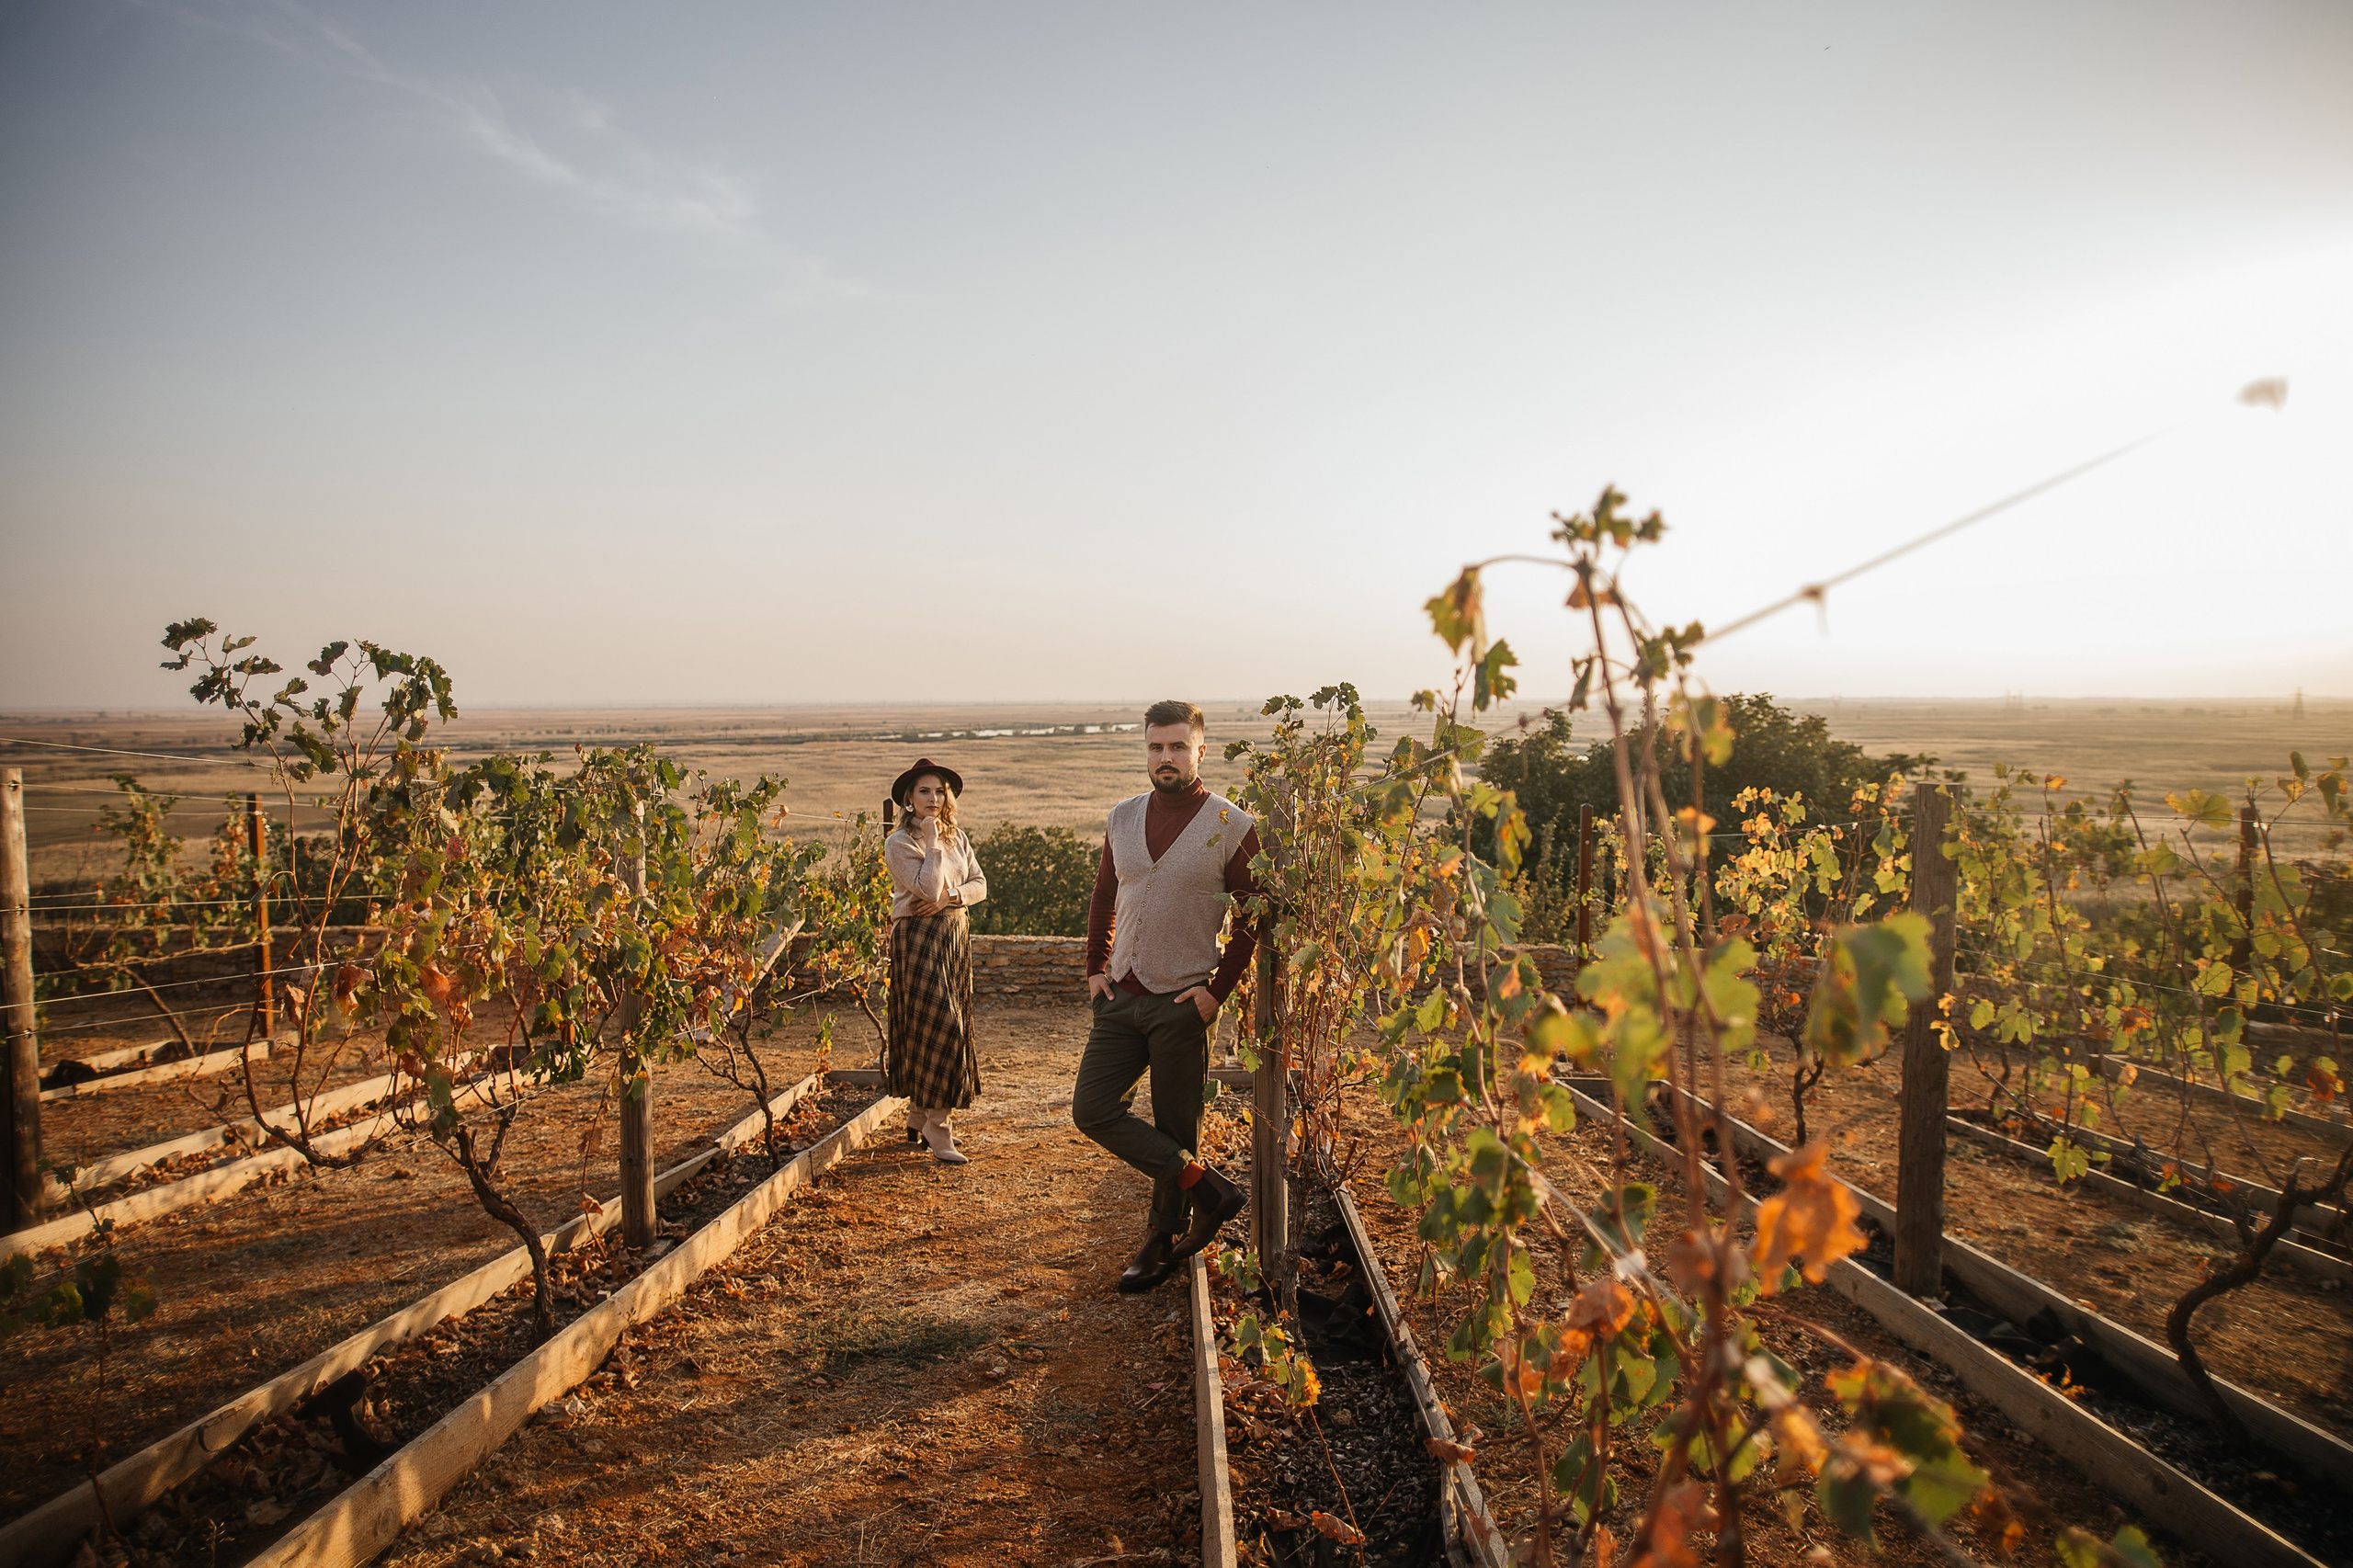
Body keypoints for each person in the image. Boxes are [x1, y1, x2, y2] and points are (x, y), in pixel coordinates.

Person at [1073, 700, 1259, 1293]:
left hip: (1183, 1001)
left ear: (1200, 751)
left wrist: (1216, 992)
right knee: (1092, 1109)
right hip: (1119, 997)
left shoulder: (1232, 826)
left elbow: (1252, 920)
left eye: (1178, 746)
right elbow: (1105, 896)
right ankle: (1208, 1189)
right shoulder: (1123, 817)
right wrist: (1095, 968)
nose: (1166, 757)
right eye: (1156, 747)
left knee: (1177, 1125)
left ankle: (1160, 1239)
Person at [884, 758, 988, 1165]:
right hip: (919, 940)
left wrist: (952, 897)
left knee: (935, 1024)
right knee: (941, 1027)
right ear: (909, 799)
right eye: (924, 791)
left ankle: (918, 1115)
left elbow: (979, 885)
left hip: (953, 936)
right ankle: (938, 1127)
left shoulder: (957, 837)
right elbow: (927, 889)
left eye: (939, 791)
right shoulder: (899, 843)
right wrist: (930, 842)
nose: (933, 798)